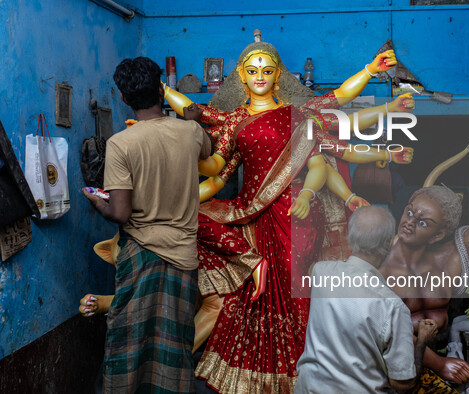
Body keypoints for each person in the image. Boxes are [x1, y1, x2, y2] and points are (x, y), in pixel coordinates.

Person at [162, 37, 415, 392]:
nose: (260, 76)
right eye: (252, 71)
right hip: (250, 213)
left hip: (294, 215)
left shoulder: (300, 116)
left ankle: (301, 370)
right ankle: (250, 264)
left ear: (278, 75)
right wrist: (172, 145)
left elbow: (341, 105)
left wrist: (371, 71)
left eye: (267, 70)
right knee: (201, 224)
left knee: (296, 294)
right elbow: (215, 167)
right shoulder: (235, 120)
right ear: (241, 76)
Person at [82, 56, 212, 393]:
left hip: (140, 256)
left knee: (130, 340)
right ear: (160, 90)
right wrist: (192, 119)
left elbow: (120, 213)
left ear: (124, 98)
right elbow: (207, 148)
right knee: (174, 345)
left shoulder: (121, 144)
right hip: (183, 258)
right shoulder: (191, 132)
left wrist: (97, 201)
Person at [379, 144, 469, 387]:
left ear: (438, 235)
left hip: (438, 353)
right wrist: (439, 363)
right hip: (392, 368)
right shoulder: (378, 262)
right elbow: (385, 333)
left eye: (424, 223)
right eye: (410, 213)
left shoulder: (450, 258)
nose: (410, 223)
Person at [295, 206, 438, 394]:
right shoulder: (392, 306)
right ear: (389, 243)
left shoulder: (321, 272)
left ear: (350, 236)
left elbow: (352, 318)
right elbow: (402, 384)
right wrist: (422, 341)